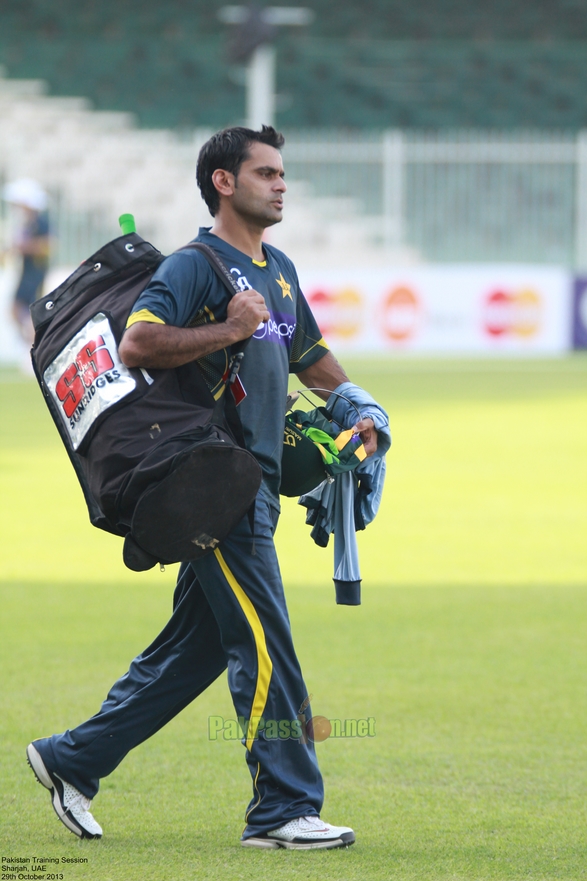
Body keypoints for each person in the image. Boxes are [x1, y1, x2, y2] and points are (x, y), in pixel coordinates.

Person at [26, 126, 382, 850]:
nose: (281, 184)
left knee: (195, 649)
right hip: (209, 484)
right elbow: (139, 343)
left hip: (257, 481)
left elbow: (309, 355)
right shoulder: (195, 265)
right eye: (266, 172)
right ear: (224, 182)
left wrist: (356, 405)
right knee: (262, 636)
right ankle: (282, 808)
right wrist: (226, 328)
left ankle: (72, 757)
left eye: (283, 174)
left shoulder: (276, 267)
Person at [3, 178, 50, 347]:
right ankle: (29, 346)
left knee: (30, 313)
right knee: (15, 310)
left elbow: (49, 245)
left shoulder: (41, 222)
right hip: (25, 272)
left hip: (36, 273)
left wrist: (24, 247)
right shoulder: (26, 224)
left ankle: (34, 347)